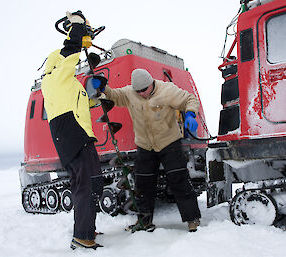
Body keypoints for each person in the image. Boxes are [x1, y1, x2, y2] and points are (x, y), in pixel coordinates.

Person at [102, 68, 201, 232]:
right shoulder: (130, 92)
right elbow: (113, 95)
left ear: (151, 83)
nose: (141, 93)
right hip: (145, 145)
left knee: (179, 180)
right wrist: (103, 88)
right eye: (138, 91)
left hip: (169, 142)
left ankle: (192, 219)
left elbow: (189, 99)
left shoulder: (167, 90)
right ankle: (144, 221)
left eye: (144, 90)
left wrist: (190, 114)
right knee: (143, 184)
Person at [41, 11, 104, 250]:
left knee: (93, 182)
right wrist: (77, 28)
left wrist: (96, 96)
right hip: (70, 132)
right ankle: (82, 236)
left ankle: (86, 228)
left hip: (80, 133)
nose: (75, 64)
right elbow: (70, 52)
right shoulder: (54, 78)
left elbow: (82, 104)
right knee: (85, 184)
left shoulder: (68, 83)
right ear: (56, 62)